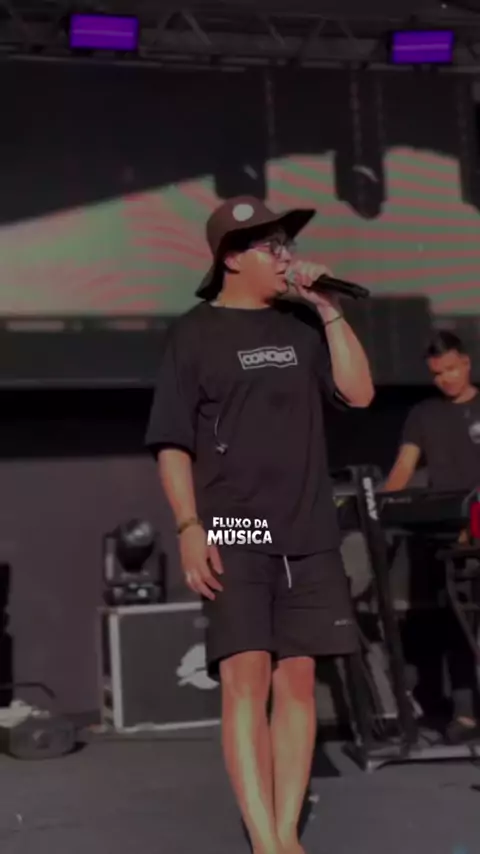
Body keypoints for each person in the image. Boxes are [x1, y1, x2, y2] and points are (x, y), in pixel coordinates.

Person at [145, 195, 374, 854]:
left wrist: (327, 308)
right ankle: (264, 841)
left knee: (297, 679)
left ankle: (285, 833)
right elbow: (172, 443)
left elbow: (359, 394)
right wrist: (189, 526)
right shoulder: (194, 334)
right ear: (230, 258)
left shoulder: (303, 325)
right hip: (233, 527)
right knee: (245, 674)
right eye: (270, 246)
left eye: (286, 245)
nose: (285, 256)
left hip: (307, 527)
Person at [384, 330, 480, 741]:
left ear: (467, 363)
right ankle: (465, 714)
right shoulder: (424, 414)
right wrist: (380, 507)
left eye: (452, 369)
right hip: (446, 533)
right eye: (438, 374)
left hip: (477, 522)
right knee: (455, 621)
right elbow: (404, 467)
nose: (446, 379)